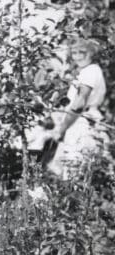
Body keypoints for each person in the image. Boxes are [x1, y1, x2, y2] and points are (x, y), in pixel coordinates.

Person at [47, 38, 108, 180]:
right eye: (74, 53)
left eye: (83, 52)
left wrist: (61, 129)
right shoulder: (90, 71)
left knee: (75, 172)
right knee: (74, 170)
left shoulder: (90, 72)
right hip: (84, 121)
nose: (78, 56)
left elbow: (79, 104)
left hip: (82, 122)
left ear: (92, 53)